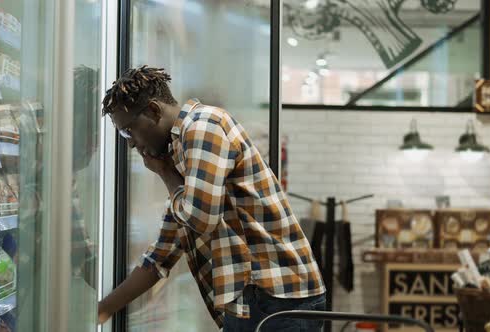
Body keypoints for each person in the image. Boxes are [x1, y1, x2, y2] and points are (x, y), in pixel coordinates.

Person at [97, 66, 326, 331]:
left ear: (153, 111)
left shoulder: (203, 125)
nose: (131, 144)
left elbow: (200, 218)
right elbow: (163, 253)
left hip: (277, 298)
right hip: (259, 298)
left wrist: (164, 173)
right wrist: (103, 310)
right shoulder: (182, 154)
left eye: (128, 131)